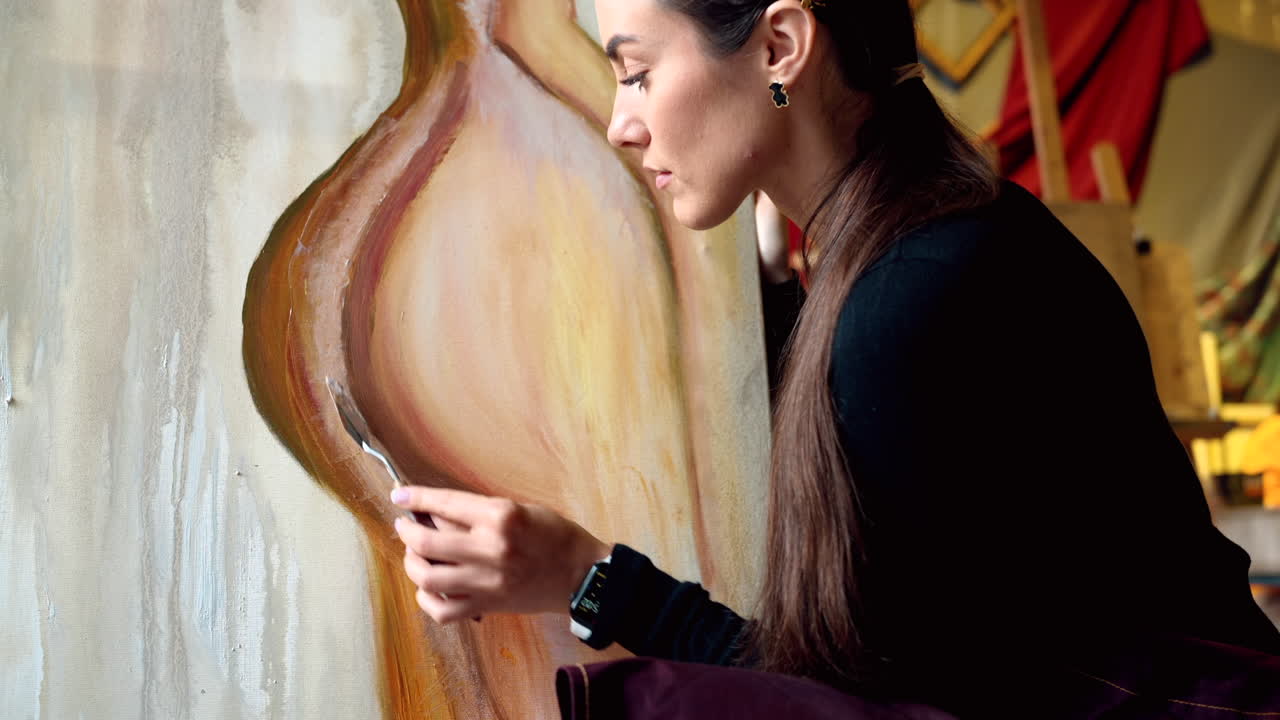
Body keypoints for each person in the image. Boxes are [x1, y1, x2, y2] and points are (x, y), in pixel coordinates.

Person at [390, 0, 1280, 715]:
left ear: (780, 44)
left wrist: (588, 580)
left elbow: (861, 699)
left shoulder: (919, 297)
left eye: (637, 72)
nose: (622, 123)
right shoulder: (941, 244)